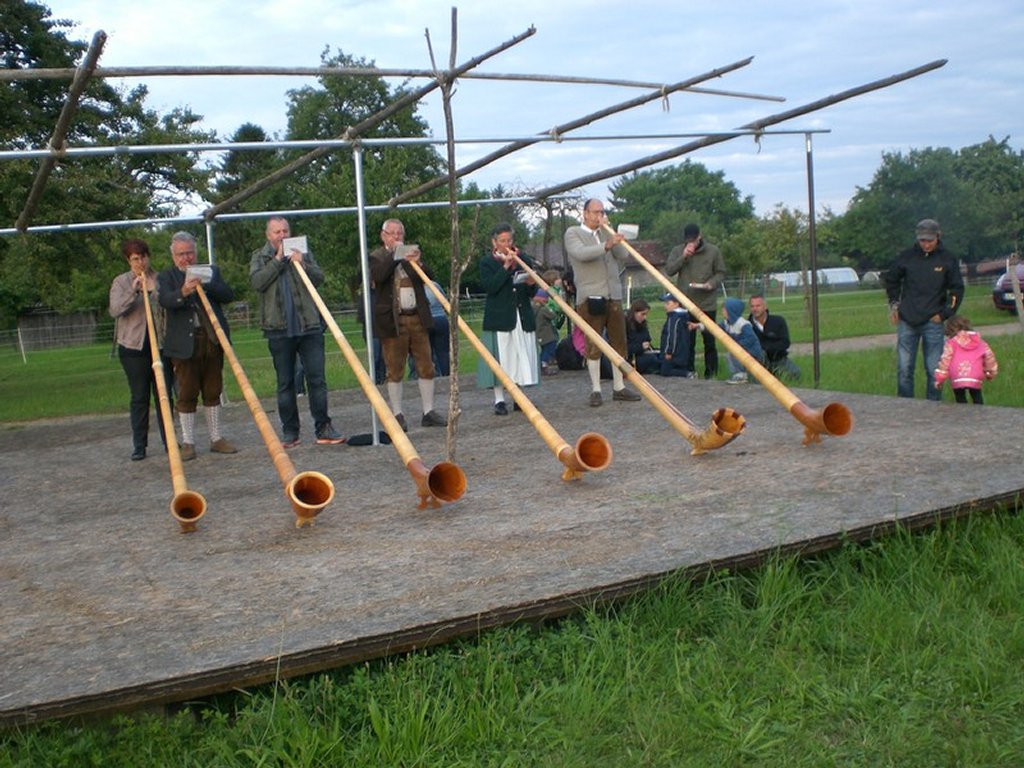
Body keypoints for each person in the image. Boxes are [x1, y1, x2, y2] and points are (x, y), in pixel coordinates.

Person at [249, 216, 345, 448]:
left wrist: (304, 264)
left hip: (309, 326)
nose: (282, 235)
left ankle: (323, 427)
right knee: (285, 383)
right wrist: (278, 260)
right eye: (277, 232)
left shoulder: (303, 251)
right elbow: (257, 283)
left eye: (285, 230)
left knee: (317, 379)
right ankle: (290, 432)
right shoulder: (260, 257)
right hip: (278, 329)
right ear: (268, 235)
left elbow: (320, 278)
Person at [157, 231, 238, 461]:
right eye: (181, 254)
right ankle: (188, 442)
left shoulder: (211, 271)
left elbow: (228, 294)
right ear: (174, 256)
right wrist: (183, 291)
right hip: (183, 345)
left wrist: (207, 284)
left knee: (213, 390)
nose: (186, 258)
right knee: (187, 392)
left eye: (190, 253)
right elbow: (165, 301)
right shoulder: (167, 276)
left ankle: (216, 438)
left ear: (196, 252)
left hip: (211, 340)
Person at [368, 218, 447, 431]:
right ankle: (397, 414)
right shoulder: (376, 256)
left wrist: (418, 262)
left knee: (426, 364)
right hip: (393, 319)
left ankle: (428, 411)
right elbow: (379, 276)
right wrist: (396, 255)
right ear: (383, 236)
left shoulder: (410, 254)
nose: (396, 237)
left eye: (399, 233)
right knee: (394, 367)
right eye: (392, 233)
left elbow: (429, 277)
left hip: (417, 317)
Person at [563, 199, 641, 407]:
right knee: (594, 343)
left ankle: (619, 387)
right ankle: (596, 389)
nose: (599, 216)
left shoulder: (606, 232)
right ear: (585, 214)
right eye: (596, 212)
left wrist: (610, 234)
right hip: (590, 296)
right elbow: (582, 254)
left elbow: (623, 255)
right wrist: (606, 244)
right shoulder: (573, 233)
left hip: (613, 294)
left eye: (602, 212)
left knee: (618, 342)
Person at [884, 218, 964, 401]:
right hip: (907, 319)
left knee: (933, 368)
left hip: (933, 321)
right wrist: (894, 305)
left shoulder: (948, 258)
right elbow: (892, 280)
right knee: (904, 368)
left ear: (938, 236)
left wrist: (945, 314)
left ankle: (933, 405)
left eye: (930, 240)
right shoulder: (906, 257)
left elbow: (957, 289)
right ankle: (905, 404)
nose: (926, 244)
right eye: (922, 240)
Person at [108, 238, 173, 461]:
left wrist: (154, 291)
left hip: (161, 344)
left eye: (143, 257)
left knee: (164, 395)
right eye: (135, 259)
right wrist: (133, 292)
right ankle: (139, 445)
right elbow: (115, 310)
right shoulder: (121, 282)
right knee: (139, 396)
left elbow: (169, 302)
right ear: (129, 260)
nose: (140, 262)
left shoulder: (161, 278)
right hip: (133, 347)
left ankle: (170, 442)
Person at [478, 223, 540, 414]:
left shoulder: (523, 258)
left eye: (509, 240)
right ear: (494, 242)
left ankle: (519, 397)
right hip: (500, 317)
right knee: (501, 358)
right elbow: (491, 287)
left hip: (520, 314)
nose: (507, 244)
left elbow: (530, 290)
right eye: (502, 241)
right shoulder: (487, 262)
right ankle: (499, 400)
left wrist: (531, 283)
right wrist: (505, 267)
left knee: (520, 355)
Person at [664, 223, 726, 379]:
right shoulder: (678, 250)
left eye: (694, 240)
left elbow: (720, 273)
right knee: (687, 342)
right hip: (686, 304)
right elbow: (670, 270)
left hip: (707, 303)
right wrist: (684, 256)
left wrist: (711, 284)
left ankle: (711, 374)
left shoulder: (713, 251)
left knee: (709, 341)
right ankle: (689, 371)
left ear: (700, 236)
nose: (691, 243)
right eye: (688, 240)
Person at [934, 316, 998, 404]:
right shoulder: (980, 342)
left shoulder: (951, 343)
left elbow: (945, 360)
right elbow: (989, 358)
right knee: (976, 395)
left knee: (960, 397)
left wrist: (939, 378)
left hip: (957, 374)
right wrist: (990, 373)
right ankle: (980, 413)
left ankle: (963, 414)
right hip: (975, 374)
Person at [748, 293, 800, 381]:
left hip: (778, 359)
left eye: (758, 306)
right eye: (752, 306)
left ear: (765, 307)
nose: (755, 309)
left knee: (795, 373)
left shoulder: (778, 321)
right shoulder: (747, 326)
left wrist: (767, 348)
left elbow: (785, 343)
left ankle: (775, 374)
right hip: (758, 361)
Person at [712, 297, 763, 384]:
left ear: (732, 311)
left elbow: (751, 338)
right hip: (740, 349)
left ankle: (741, 375)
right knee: (731, 354)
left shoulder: (743, 324)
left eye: (725, 309)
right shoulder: (726, 323)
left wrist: (738, 345)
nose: (723, 311)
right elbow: (714, 327)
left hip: (752, 351)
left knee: (733, 354)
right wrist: (699, 326)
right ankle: (738, 374)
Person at [657, 293, 695, 378]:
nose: (665, 306)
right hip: (682, 350)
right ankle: (686, 372)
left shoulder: (674, 318)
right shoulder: (684, 316)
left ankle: (687, 374)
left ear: (677, 304)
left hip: (674, 353)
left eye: (668, 303)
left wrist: (669, 351)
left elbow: (672, 335)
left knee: (664, 371)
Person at [625, 298, 659, 375]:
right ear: (634, 313)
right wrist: (640, 347)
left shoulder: (643, 325)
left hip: (641, 354)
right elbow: (623, 348)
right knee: (652, 359)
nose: (644, 317)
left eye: (646, 314)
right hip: (630, 358)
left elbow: (647, 339)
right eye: (642, 314)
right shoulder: (625, 325)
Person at [533, 289, 560, 376]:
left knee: (545, 349)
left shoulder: (533, 308)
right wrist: (550, 308)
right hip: (546, 334)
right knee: (549, 348)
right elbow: (553, 316)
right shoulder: (543, 309)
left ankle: (541, 364)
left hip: (539, 333)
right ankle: (543, 363)